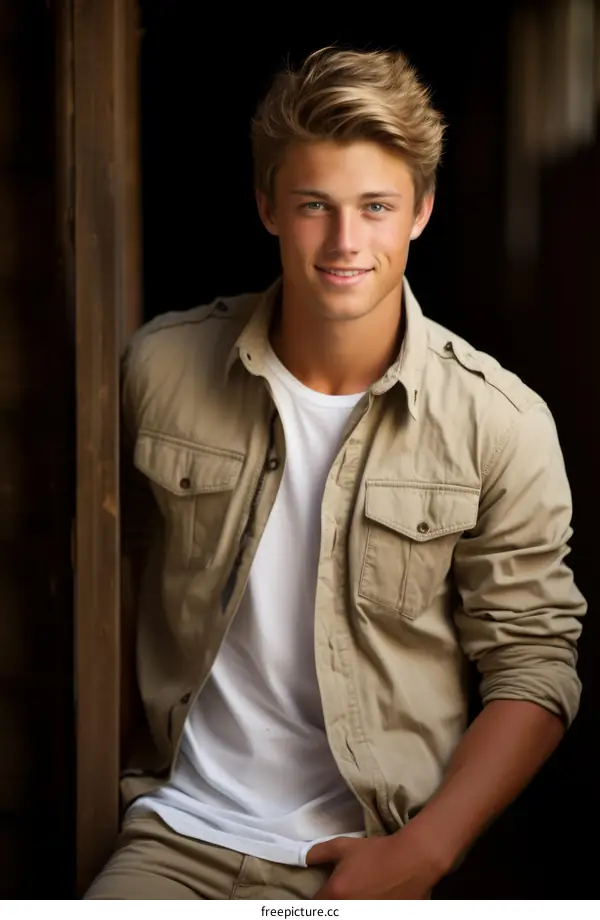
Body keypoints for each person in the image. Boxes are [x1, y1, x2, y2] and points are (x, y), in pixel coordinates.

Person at [86, 46, 587, 900]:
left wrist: (423, 853)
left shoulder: (502, 422)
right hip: (176, 836)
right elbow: (111, 578)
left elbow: (535, 662)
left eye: (376, 206)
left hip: (373, 852)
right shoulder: (155, 370)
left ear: (421, 211)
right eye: (315, 205)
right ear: (267, 207)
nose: (345, 241)